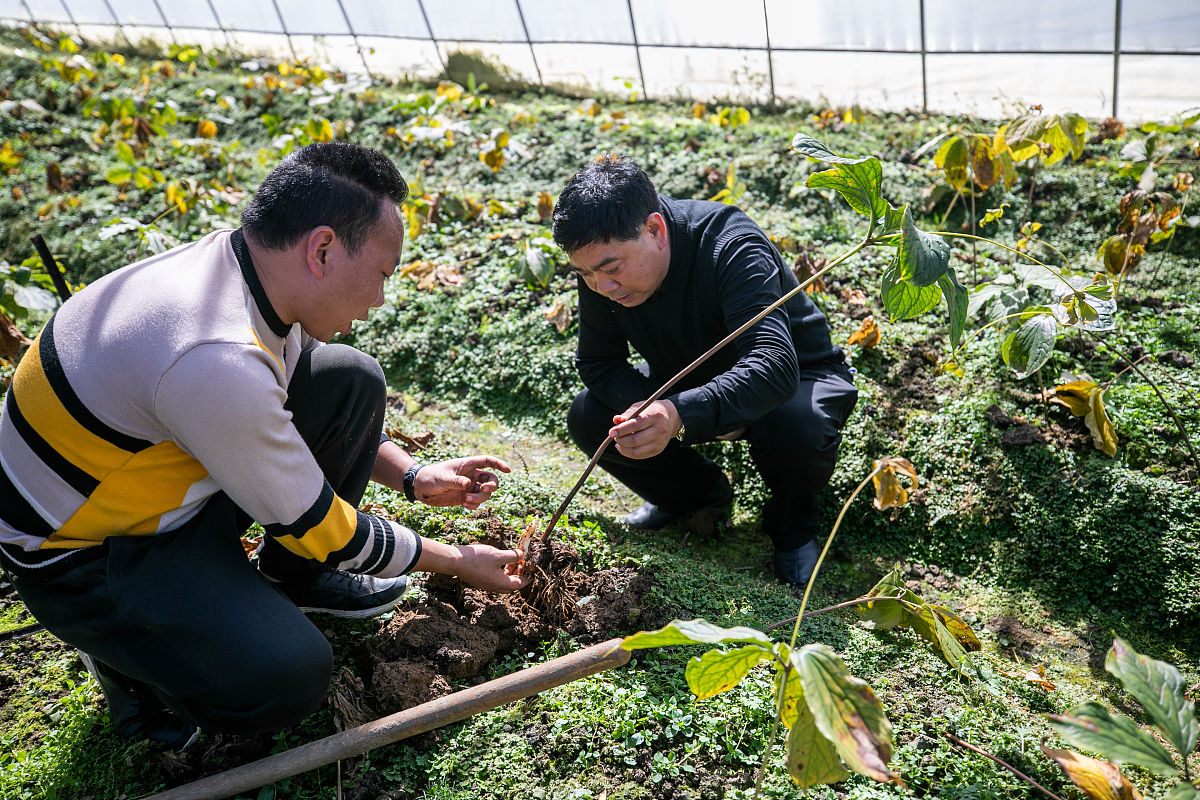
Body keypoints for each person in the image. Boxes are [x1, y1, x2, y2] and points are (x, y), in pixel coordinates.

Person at [0, 142, 526, 751]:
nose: (379, 299)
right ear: (322, 250)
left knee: (347, 379)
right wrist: (457, 560)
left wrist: (412, 475)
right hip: (88, 551)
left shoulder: (242, 274)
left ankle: (294, 581)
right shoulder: (214, 357)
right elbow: (326, 528)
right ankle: (134, 669)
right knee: (286, 675)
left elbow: (286, 404)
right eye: (383, 275)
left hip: (155, 482)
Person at [552, 155, 858, 587]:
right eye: (584, 273)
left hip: (794, 377)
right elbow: (598, 362)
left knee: (797, 427)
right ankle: (697, 497)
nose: (603, 287)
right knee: (591, 415)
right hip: (685, 375)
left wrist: (681, 412)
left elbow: (772, 364)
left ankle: (794, 530)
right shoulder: (600, 271)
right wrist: (654, 412)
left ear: (655, 230)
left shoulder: (731, 244)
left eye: (611, 269)